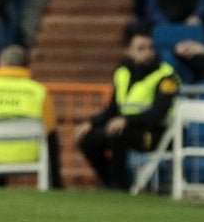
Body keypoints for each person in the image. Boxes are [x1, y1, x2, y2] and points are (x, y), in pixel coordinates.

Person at [74, 24, 179, 190]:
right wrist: (91, 123)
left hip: (157, 133)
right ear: (128, 51)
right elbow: (113, 109)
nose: (147, 53)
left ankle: (119, 185)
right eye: (141, 49)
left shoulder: (166, 76)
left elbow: (157, 114)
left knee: (118, 134)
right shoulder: (122, 72)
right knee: (87, 138)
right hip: (129, 127)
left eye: (150, 48)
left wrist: (126, 120)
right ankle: (108, 181)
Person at [0, 45, 63, 189]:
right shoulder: (38, 91)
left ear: (2, 62)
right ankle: (56, 185)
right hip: (29, 153)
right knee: (51, 135)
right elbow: (49, 127)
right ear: (27, 65)